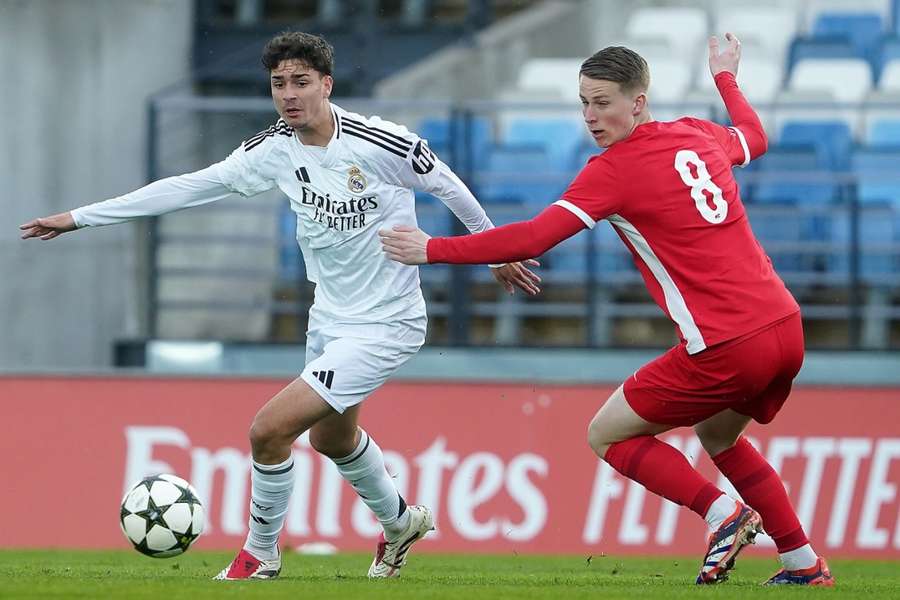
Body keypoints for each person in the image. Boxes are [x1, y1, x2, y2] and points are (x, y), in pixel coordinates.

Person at [20, 31, 540, 580]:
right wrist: (81, 217)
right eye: (278, 84)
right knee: (331, 438)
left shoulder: (380, 143)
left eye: (300, 82)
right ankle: (401, 522)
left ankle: (261, 553)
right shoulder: (272, 151)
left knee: (268, 430)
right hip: (330, 318)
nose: (288, 94)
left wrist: (493, 250)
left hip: (388, 322)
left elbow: (449, 186)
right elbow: (189, 186)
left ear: (326, 85)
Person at [380, 34, 834, 587]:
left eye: (603, 102)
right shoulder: (697, 133)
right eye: (583, 103)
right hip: (784, 327)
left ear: (637, 102)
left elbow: (535, 236)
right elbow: (756, 138)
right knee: (720, 438)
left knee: (607, 435)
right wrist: (725, 77)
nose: (591, 116)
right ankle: (803, 564)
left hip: (726, 343)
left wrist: (433, 249)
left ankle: (723, 515)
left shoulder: (614, 170)